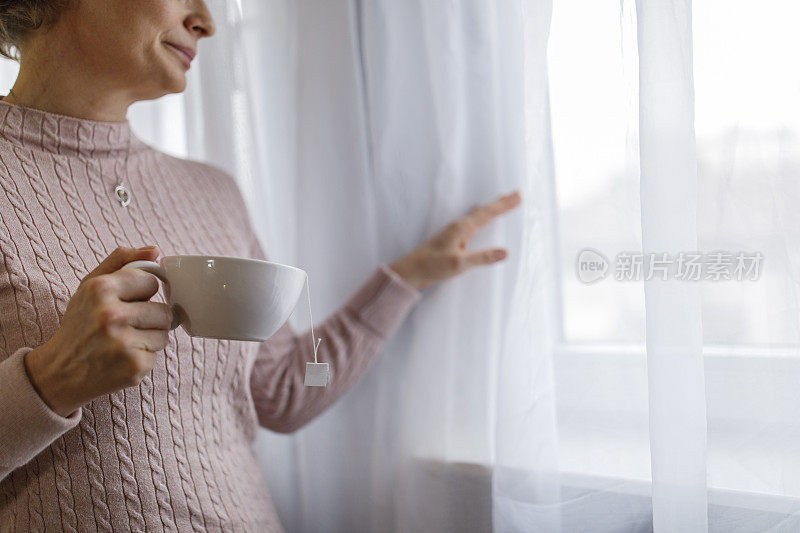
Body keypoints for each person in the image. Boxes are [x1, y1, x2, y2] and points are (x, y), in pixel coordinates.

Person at [0, 0, 522, 530]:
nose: (206, 19)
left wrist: (408, 278)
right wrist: (49, 381)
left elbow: (284, 391)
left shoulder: (211, 193)